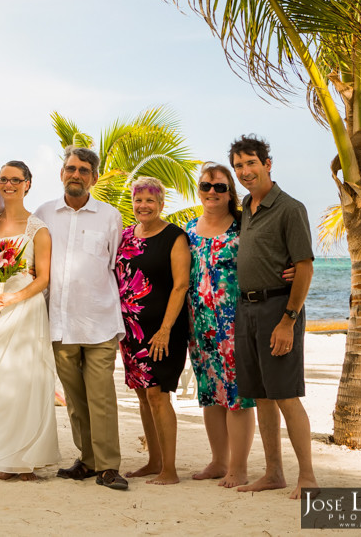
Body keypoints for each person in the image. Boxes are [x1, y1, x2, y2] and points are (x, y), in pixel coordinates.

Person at [229, 135, 318, 500]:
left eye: (251, 163)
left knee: (285, 395)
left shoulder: (290, 208)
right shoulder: (246, 209)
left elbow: (304, 267)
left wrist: (288, 319)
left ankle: (308, 476)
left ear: (268, 163)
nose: (245, 171)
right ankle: (273, 473)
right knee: (261, 397)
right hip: (245, 309)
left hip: (277, 309)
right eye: (238, 166)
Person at [35, 146, 128, 491]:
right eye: (70, 168)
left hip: (100, 321)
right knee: (75, 401)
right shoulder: (43, 213)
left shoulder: (109, 216)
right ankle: (87, 460)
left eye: (83, 170)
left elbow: (114, 264)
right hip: (59, 322)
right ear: (61, 173)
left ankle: (108, 466)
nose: (76, 175)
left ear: (95, 177)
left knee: (101, 396)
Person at [0, 160, 59, 480]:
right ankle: (3, 459)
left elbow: (43, 278)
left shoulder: (38, 229)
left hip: (25, 309)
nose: (8, 185)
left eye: (16, 180)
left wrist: (13, 297)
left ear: (28, 184)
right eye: (3, 179)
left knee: (26, 383)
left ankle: (26, 461)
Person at [114, 176, 191, 485]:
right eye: (138, 200)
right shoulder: (127, 235)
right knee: (143, 396)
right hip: (131, 329)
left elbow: (181, 285)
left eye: (150, 200)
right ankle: (154, 461)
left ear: (161, 204)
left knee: (159, 395)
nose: (143, 205)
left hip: (162, 330)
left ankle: (169, 470)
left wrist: (164, 330)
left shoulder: (175, 237)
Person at [185, 163, 256, 488]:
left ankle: (238, 469)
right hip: (198, 327)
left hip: (234, 326)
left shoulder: (244, 228)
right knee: (210, 394)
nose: (212, 192)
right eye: (206, 186)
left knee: (237, 396)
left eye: (220, 187)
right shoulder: (188, 230)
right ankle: (218, 461)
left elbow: (270, 261)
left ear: (231, 193)